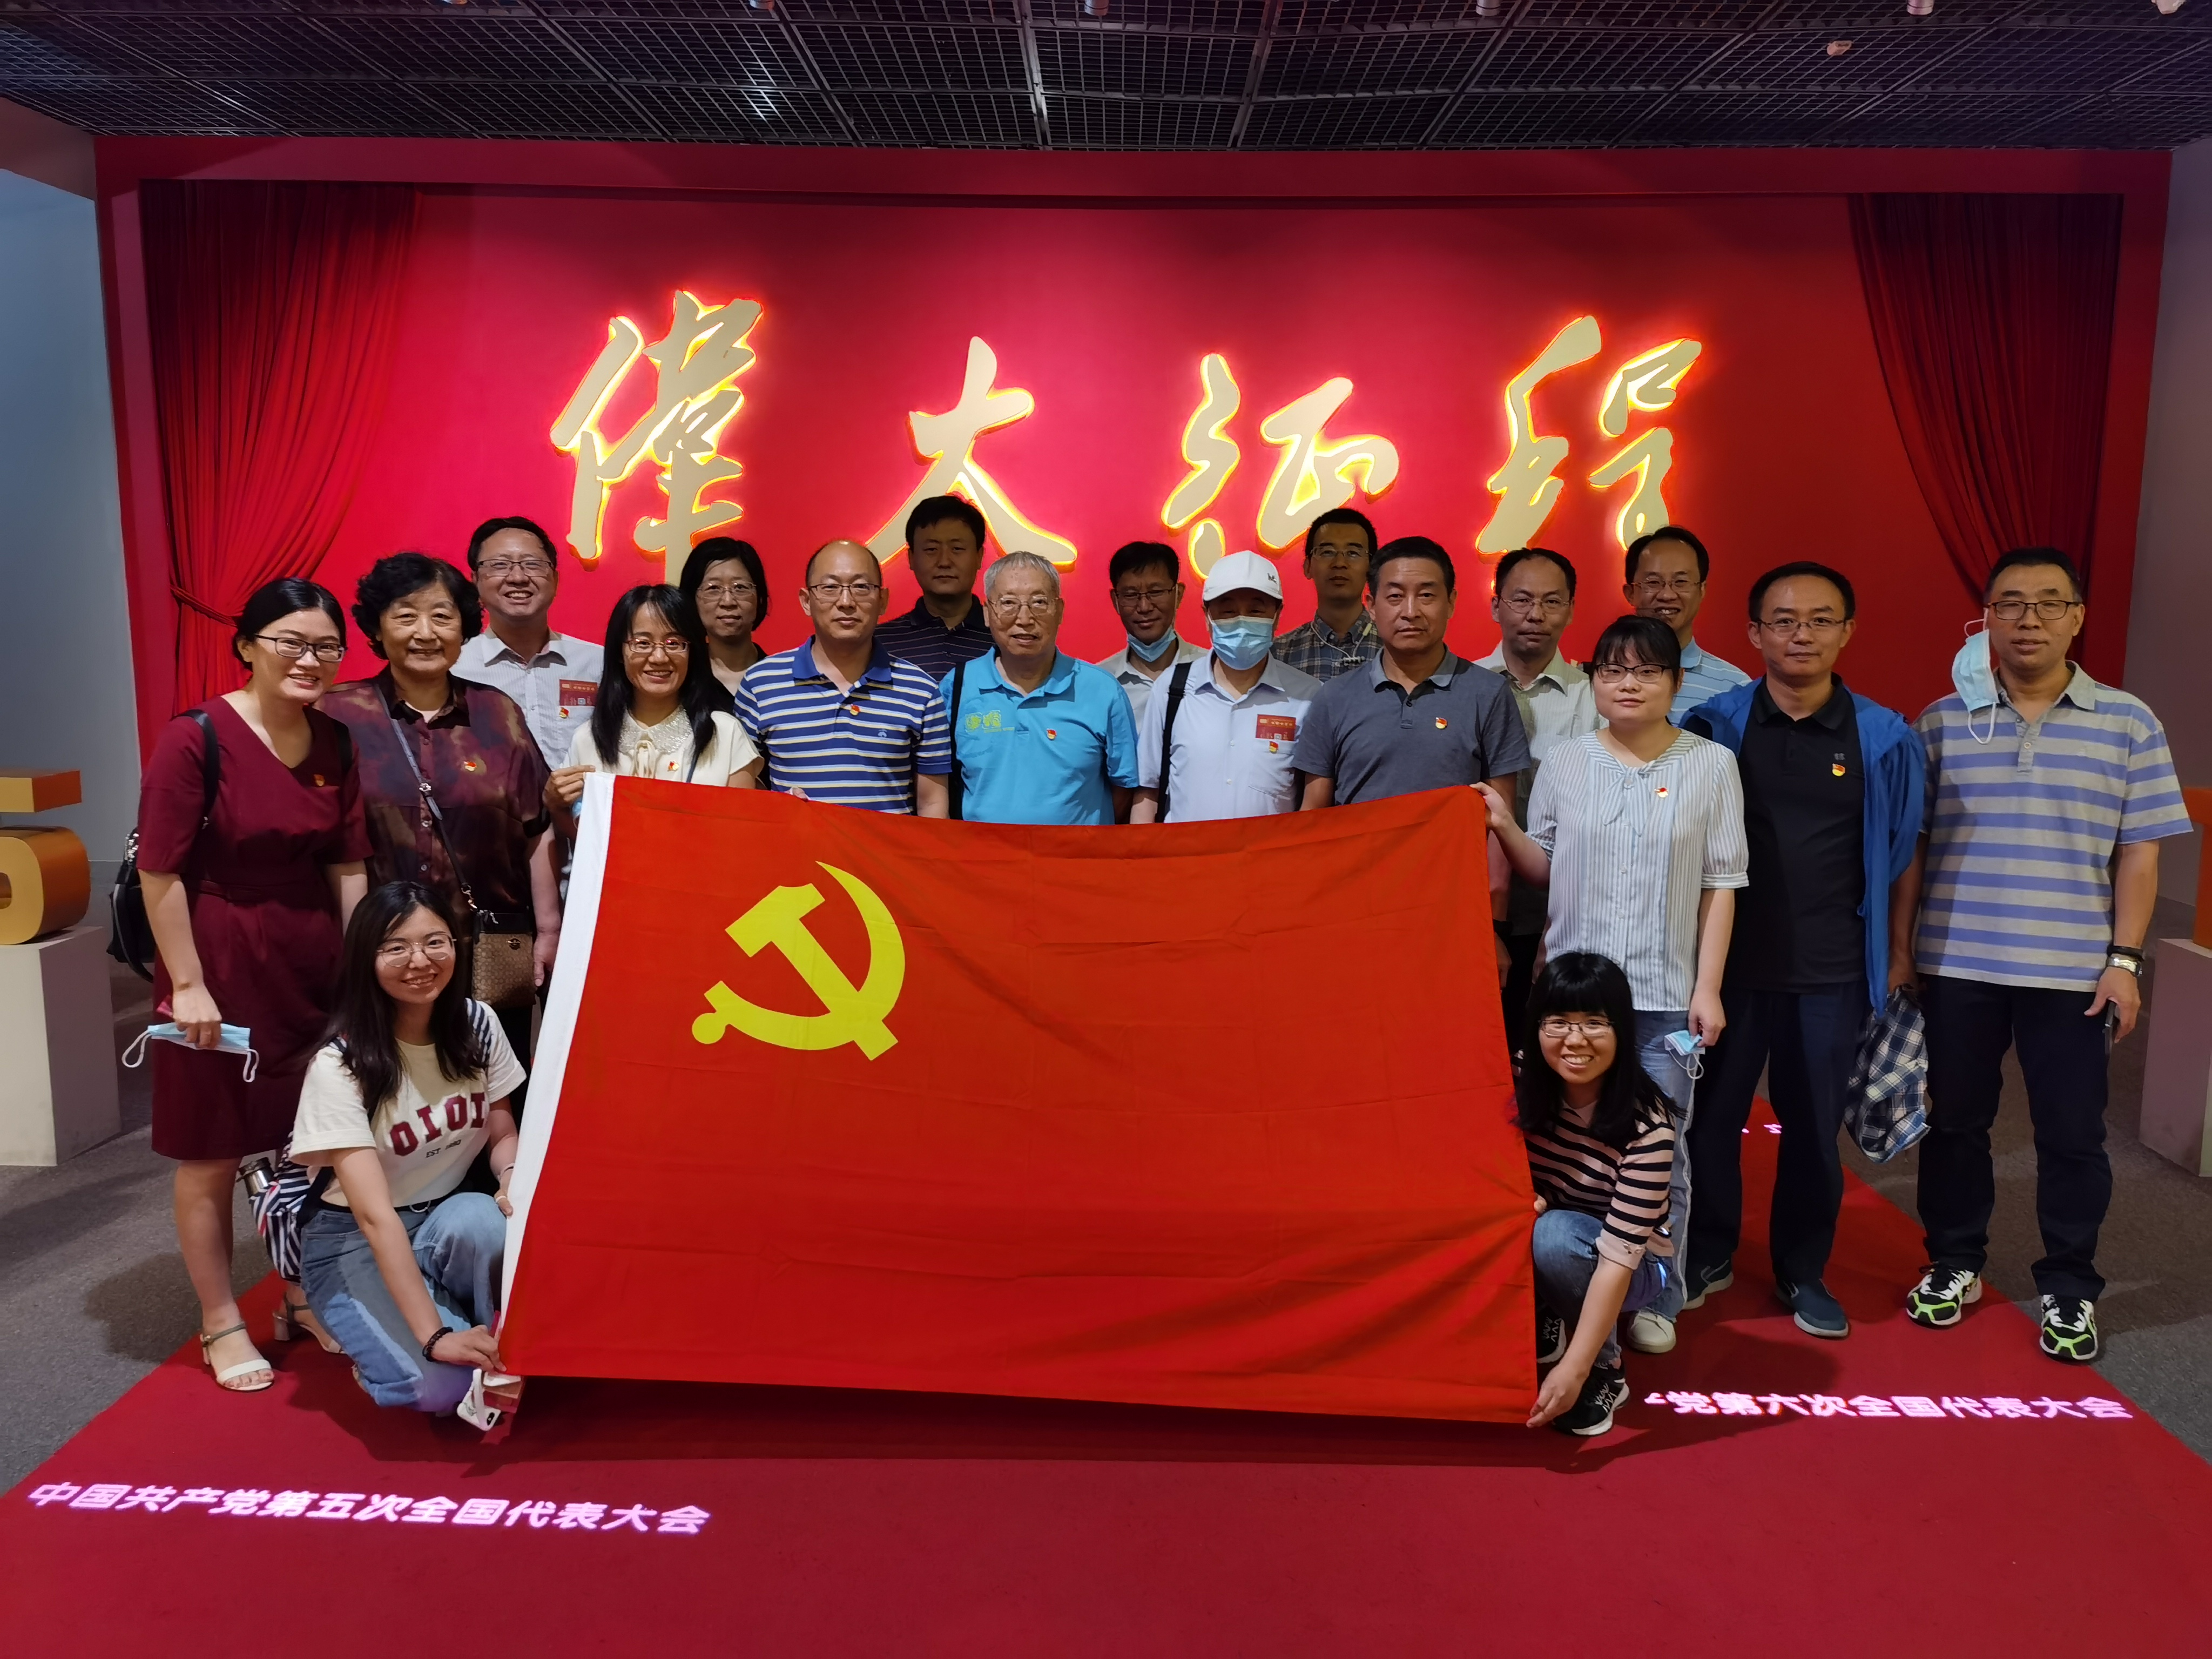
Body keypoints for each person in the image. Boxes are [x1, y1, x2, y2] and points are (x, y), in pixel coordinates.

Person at [1895, 547, 2189, 1364]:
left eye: (2049, 603)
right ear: (1985, 618)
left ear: (2077, 618)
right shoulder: (1941, 721)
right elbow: (1913, 849)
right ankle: (1953, 1261)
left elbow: (2140, 855)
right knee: (1955, 1124)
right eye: (2011, 604)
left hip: (2072, 972)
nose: (2029, 620)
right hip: (1958, 962)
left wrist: (2125, 960)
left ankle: (2070, 1284)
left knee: (2071, 1134)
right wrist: (1902, 951)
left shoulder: (2129, 722)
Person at [1478, 614, 1746, 1357]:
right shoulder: (1565, 762)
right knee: (1558, 1143)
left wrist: (1708, 988)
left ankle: (1660, 1292)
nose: (1629, 684)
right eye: (1613, 670)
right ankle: (1568, 1277)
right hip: (1571, 996)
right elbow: (1545, 869)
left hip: (1663, 994)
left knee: (1664, 1148)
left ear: (1676, 683)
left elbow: (1722, 885)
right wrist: (1504, 826)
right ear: (1594, 679)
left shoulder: (1711, 765)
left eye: (1647, 671)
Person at [1679, 562, 1926, 1340]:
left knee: (1814, 1130)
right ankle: (1707, 1252)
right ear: (1754, 633)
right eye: (1783, 621)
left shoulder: (1883, 737)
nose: (1801, 635)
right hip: (1725, 969)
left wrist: (1897, 953)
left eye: (1821, 620)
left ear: (1847, 631)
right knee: (1710, 1121)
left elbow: (1904, 851)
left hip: (1832, 969)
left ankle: (1803, 1268)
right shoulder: (1714, 726)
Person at [136, 577, 369, 1392]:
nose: (311, 660)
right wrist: (188, 985)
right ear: (247, 646)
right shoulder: (195, 737)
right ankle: (220, 1319)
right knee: (213, 1147)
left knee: (312, 1145)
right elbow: (160, 872)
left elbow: (347, 865)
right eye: (291, 642)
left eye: (327, 647)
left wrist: (361, 975)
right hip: (220, 956)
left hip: (312, 962)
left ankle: (300, 1295)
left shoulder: (335, 741)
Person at [322, 552, 560, 1106]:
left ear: (464, 627)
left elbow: (536, 829)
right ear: (377, 627)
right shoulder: (338, 715)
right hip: (379, 951)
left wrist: (548, 931)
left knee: (494, 1091)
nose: (425, 633)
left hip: (487, 950)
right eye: (406, 616)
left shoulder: (497, 714)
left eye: (442, 616)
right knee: (384, 1092)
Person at [290, 882, 524, 1418]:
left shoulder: (477, 1024)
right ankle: (385, 1344)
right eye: (396, 947)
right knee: (442, 1391)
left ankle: (475, 1329)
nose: (420, 961)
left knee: (487, 1219)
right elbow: (374, 1218)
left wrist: (510, 1172)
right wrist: (433, 1336)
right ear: (365, 958)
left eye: (435, 942)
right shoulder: (340, 1064)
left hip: (443, 1216)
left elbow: (500, 1125)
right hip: (353, 1240)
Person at [1521, 953, 1683, 1438]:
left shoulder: (1648, 1129)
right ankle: (1551, 1307)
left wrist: (1574, 1369)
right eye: (1559, 1022)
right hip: (1552, 1229)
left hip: (1634, 1263)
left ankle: (1606, 1368)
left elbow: (1619, 1257)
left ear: (1622, 1031)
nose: (1575, 1040)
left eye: (1594, 1023)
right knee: (1529, 1221)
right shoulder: (1521, 1078)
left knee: (1554, 1236)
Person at [1292, 537, 1528, 812]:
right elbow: (1313, 813)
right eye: (1395, 596)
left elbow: (1501, 816)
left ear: (1451, 602)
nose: (1411, 612)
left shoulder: (1489, 693)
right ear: (1371, 606)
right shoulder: (1334, 698)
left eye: (1426, 595)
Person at [735, 539, 952, 815]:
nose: (846, 602)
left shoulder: (921, 691)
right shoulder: (761, 684)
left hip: (887, 845)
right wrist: (774, 805)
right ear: (806, 601)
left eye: (861, 587)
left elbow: (932, 803)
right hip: (796, 844)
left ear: (883, 600)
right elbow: (739, 791)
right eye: (830, 588)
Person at [1476, 547, 1597, 1034]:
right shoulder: (1462, 690)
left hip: (1565, 915)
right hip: (1474, 910)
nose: (1536, 615)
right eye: (1522, 600)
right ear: (1496, 606)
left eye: (1552, 601)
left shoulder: (1597, 698)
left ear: (1571, 609)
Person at [545, 585, 763, 839]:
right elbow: (582, 839)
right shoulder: (588, 739)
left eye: (674, 643)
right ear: (620, 652)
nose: (659, 657)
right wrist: (554, 803)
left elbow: (741, 834)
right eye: (642, 643)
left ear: (692, 652)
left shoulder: (725, 734)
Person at [940, 549, 1138, 826]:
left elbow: (1124, 787)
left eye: (1039, 602)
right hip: (985, 852)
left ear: (1060, 611)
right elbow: (937, 784)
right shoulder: (957, 686)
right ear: (987, 613)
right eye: (1008, 603)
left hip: (1077, 854)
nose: (1024, 619)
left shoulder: (1102, 690)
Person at [1131, 550, 1321, 823]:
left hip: (1267, 852)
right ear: (1207, 616)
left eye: (1256, 611)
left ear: (1277, 615)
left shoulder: (1307, 697)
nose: (1241, 622)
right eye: (1228, 611)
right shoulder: (1172, 689)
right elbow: (1148, 792)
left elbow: (1313, 803)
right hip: (1184, 851)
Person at [454, 515, 606, 772]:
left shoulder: (599, 664)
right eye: (500, 565)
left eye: (532, 564)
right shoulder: (455, 667)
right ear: (476, 580)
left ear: (555, 580)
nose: (518, 577)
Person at [1622, 525, 1750, 722]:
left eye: (1681, 582)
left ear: (1702, 591)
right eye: (1653, 582)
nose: (1667, 595)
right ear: (1630, 593)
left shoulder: (1735, 687)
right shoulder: (1601, 679)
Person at [875, 496, 997, 680]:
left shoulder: (1005, 640)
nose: (944, 562)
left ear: (979, 556)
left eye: (957, 549)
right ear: (911, 558)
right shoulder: (878, 643)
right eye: (931, 549)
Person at [1092, 539, 1204, 726]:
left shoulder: (1211, 672)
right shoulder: (1100, 683)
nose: (1144, 607)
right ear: (1116, 601)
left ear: (1178, 594)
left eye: (1156, 592)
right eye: (1131, 595)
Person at [1271, 508, 1381, 682]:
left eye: (1353, 553)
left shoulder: (1395, 647)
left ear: (1372, 568)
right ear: (1308, 567)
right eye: (1327, 552)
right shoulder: (1279, 654)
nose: (1340, 563)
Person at [678, 536, 771, 695]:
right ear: (692, 600)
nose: (728, 602)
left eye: (740, 587)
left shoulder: (781, 679)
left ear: (760, 598)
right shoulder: (680, 681)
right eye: (713, 588)